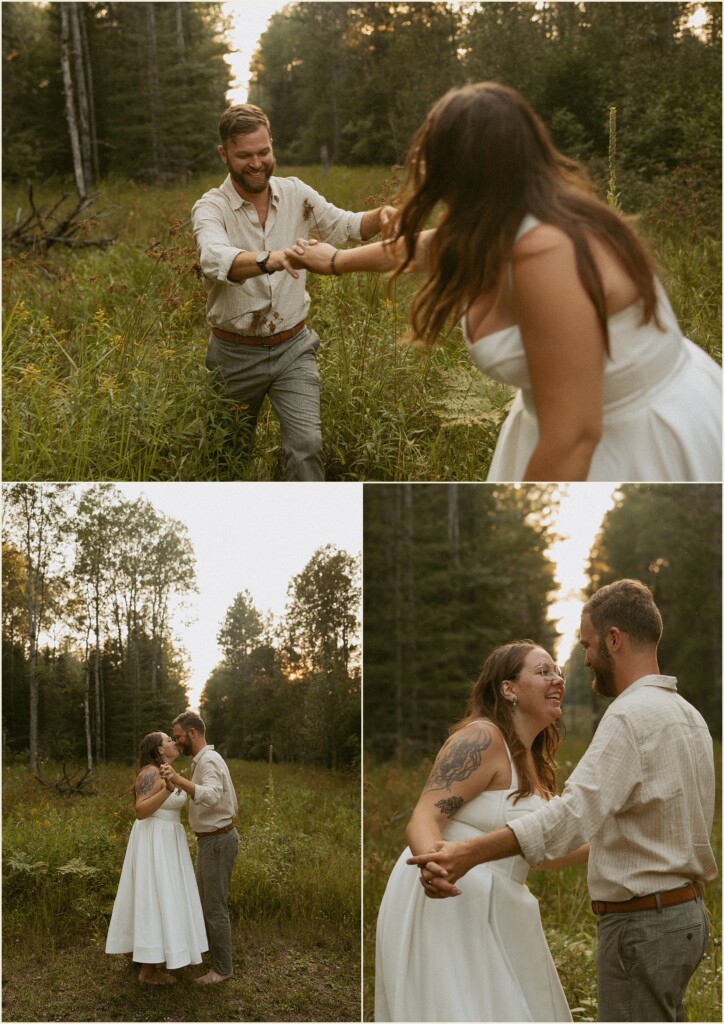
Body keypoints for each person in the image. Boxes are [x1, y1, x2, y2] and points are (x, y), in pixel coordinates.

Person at [286, 82, 722, 483]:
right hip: (557, 425)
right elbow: (422, 248)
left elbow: (574, 437)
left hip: (628, 441)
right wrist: (337, 260)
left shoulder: (547, 254)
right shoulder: (510, 218)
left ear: (464, 171)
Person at [408, 580, 717, 1023]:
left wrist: (470, 852)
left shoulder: (629, 716)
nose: (583, 661)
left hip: (643, 925)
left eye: (588, 646)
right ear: (508, 688)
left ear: (615, 639)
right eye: (546, 670)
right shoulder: (690, 717)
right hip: (683, 920)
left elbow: (570, 819)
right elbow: (623, 825)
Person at [375, 640, 588, 1022]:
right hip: (450, 900)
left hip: (505, 905)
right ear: (508, 689)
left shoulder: (536, 763)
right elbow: (424, 816)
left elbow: (540, 852)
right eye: (543, 672)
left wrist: (612, 841)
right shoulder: (481, 739)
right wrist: (433, 868)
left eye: (558, 672)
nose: (557, 679)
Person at [191, 102, 395, 481]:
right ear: (224, 154)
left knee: (307, 446)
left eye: (264, 152)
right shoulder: (211, 207)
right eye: (244, 156)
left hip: (293, 348)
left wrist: (381, 216)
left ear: (273, 146)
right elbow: (213, 258)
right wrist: (272, 258)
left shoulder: (295, 193)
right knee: (227, 459)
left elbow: (347, 226)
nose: (257, 163)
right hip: (234, 355)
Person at [105, 732, 208, 984]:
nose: (174, 742)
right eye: (169, 740)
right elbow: (140, 811)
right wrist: (168, 790)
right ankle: (148, 972)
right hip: (154, 840)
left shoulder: (164, 770)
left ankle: (140, 949)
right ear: (160, 750)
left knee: (163, 895)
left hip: (168, 838)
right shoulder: (150, 772)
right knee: (154, 895)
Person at [159, 712, 239, 985]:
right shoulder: (201, 761)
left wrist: (180, 780)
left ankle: (223, 969)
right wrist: (175, 783)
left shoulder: (209, 761)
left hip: (218, 840)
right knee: (204, 902)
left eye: (179, 736)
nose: (177, 741)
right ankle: (211, 956)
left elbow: (213, 796)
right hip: (210, 841)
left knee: (215, 907)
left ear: (192, 732)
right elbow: (196, 793)